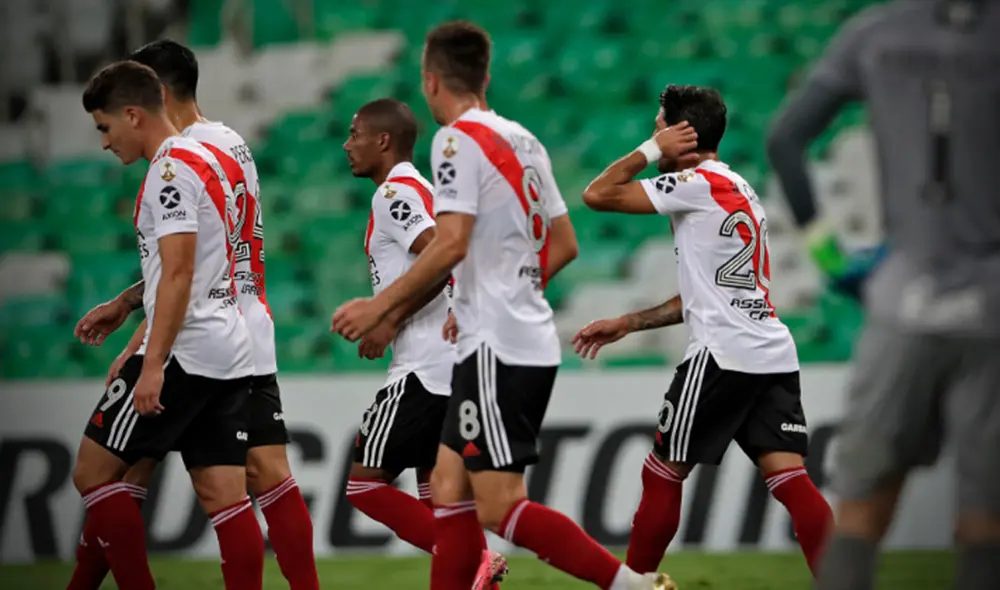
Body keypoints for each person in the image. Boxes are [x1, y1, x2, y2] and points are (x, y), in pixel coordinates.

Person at [332, 20, 681, 590]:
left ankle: (630, 586)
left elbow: (449, 243)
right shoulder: (524, 139)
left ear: (430, 80)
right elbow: (564, 244)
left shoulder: (455, 140)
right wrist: (507, 288)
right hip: (509, 337)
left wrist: (383, 308)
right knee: (446, 490)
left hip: (495, 344)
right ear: (487, 75)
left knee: (500, 508)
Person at [766, 2, 1000, 589]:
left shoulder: (876, 32)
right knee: (987, 519)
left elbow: (785, 139)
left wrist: (831, 260)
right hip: (994, 305)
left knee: (863, 508)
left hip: (904, 296)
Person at [70, 40, 319, 590]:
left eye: (108, 126)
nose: (107, 140)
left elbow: (184, 267)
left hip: (197, 329)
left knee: (112, 473)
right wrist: (129, 301)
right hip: (241, 319)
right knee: (243, 483)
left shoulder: (177, 159)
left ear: (149, 95)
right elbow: (207, 248)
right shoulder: (227, 142)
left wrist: (145, 350)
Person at [576, 84, 834, 578]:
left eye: (659, 127)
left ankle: (634, 588)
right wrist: (628, 323)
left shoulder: (693, 183)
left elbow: (597, 194)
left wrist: (652, 151)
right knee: (791, 479)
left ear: (680, 134)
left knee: (662, 472)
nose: (652, 135)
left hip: (724, 355)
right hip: (770, 352)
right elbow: (707, 294)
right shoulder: (739, 188)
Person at [339, 97, 497, 570]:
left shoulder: (394, 194)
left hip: (424, 370)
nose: (347, 146)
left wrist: (386, 316)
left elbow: (442, 257)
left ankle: (474, 562)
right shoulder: (421, 189)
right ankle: (473, 571)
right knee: (440, 494)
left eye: (355, 135)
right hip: (450, 365)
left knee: (364, 484)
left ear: (383, 141)